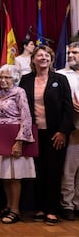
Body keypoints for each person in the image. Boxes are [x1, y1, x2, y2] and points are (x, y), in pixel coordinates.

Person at [19, 45, 73, 225]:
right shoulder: (25, 80)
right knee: (37, 172)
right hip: (32, 133)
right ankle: (40, 207)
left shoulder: (60, 79)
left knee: (54, 171)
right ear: (33, 60)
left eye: (47, 55)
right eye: (39, 55)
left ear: (51, 59)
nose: (43, 58)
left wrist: (63, 132)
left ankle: (52, 210)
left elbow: (67, 109)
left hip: (54, 134)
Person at [0, 64, 36, 224]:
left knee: (15, 177)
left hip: (15, 137)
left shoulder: (19, 92)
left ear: (15, 78)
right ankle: (9, 206)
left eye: (7, 77)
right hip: (0, 138)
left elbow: (26, 116)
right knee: (5, 175)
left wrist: (19, 142)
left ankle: (16, 210)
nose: (3, 80)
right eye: (1, 77)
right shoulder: (0, 93)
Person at [58, 41, 79, 221]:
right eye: (69, 52)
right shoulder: (61, 75)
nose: (71, 55)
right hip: (72, 129)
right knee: (69, 170)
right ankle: (68, 205)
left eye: (75, 52)